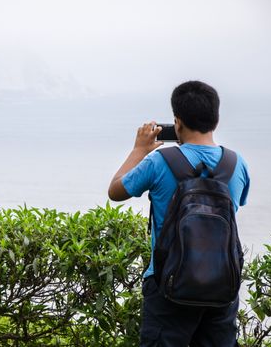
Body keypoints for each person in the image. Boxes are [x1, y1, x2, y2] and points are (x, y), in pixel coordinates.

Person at [107, 80, 250, 346]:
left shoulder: (160, 161)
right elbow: (235, 205)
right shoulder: (236, 163)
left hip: (167, 284)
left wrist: (139, 150)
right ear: (215, 120)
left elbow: (116, 191)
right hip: (221, 286)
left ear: (177, 122)